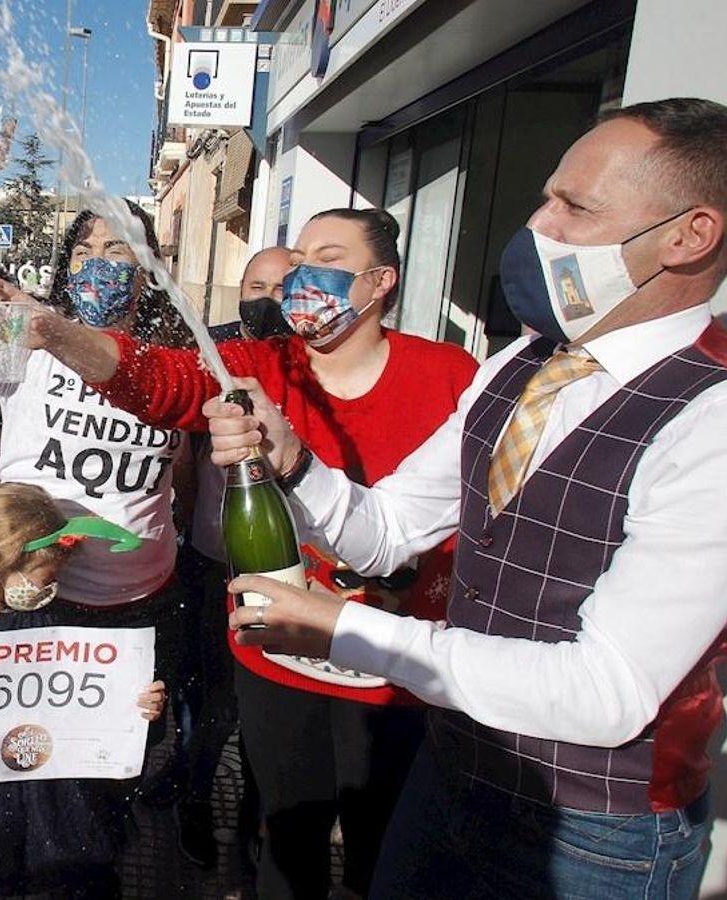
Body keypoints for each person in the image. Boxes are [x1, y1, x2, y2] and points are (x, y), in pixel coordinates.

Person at [203, 98, 727, 898]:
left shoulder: (711, 416)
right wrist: (295, 462)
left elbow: (608, 691)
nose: (537, 225)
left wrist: (345, 627)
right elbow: (387, 530)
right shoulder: (520, 365)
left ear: (690, 235)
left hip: (597, 834)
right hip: (452, 774)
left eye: (574, 208)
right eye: (547, 196)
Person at [0, 206, 479, 898]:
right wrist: (54, 332)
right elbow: (159, 382)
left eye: (328, 258)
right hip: (278, 650)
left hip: (394, 665)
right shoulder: (257, 366)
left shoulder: (448, 373)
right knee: (287, 839)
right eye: (298, 257)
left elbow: (468, 509)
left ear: (379, 282)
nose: (302, 276)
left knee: (385, 848)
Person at [0, 95, 194, 701]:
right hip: (28, 588)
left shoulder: (174, 366)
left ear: (149, 270)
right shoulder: (31, 334)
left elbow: (181, 481)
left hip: (137, 600)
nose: (96, 264)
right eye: (83, 251)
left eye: (116, 251)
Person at [0, 483, 167, 899]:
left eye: (55, 579)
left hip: (58, 814)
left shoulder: (64, 622)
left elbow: (98, 702)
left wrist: (139, 707)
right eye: (44, 578)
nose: (47, 589)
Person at [173, 245, 292, 867]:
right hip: (212, 559)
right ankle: (193, 800)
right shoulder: (212, 359)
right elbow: (185, 459)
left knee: (266, 713)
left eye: (282, 286)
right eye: (255, 285)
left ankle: (253, 823)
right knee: (211, 705)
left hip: (286, 573)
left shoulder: (310, 367)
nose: (266, 299)